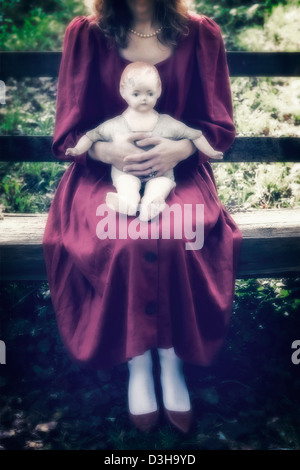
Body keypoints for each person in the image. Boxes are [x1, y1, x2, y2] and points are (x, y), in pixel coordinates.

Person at [43, 0, 243, 434]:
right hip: (102, 178)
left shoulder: (200, 35)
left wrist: (183, 147)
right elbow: (69, 132)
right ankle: (138, 363)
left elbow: (217, 124)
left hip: (179, 174)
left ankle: (171, 362)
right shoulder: (87, 34)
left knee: (176, 232)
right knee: (127, 237)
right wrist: (105, 149)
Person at [65, 61, 223, 221]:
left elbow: (195, 135)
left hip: (160, 173)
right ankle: (127, 202)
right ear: (123, 91)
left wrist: (211, 151)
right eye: (136, 94)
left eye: (149, 93)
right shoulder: (116, 124)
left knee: (160, 186)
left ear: (159, 90)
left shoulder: (167, 122)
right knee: (126, 184)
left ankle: (151, 205)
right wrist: (77, 150)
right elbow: (91, 136)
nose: (143, 99)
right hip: (126, 171)